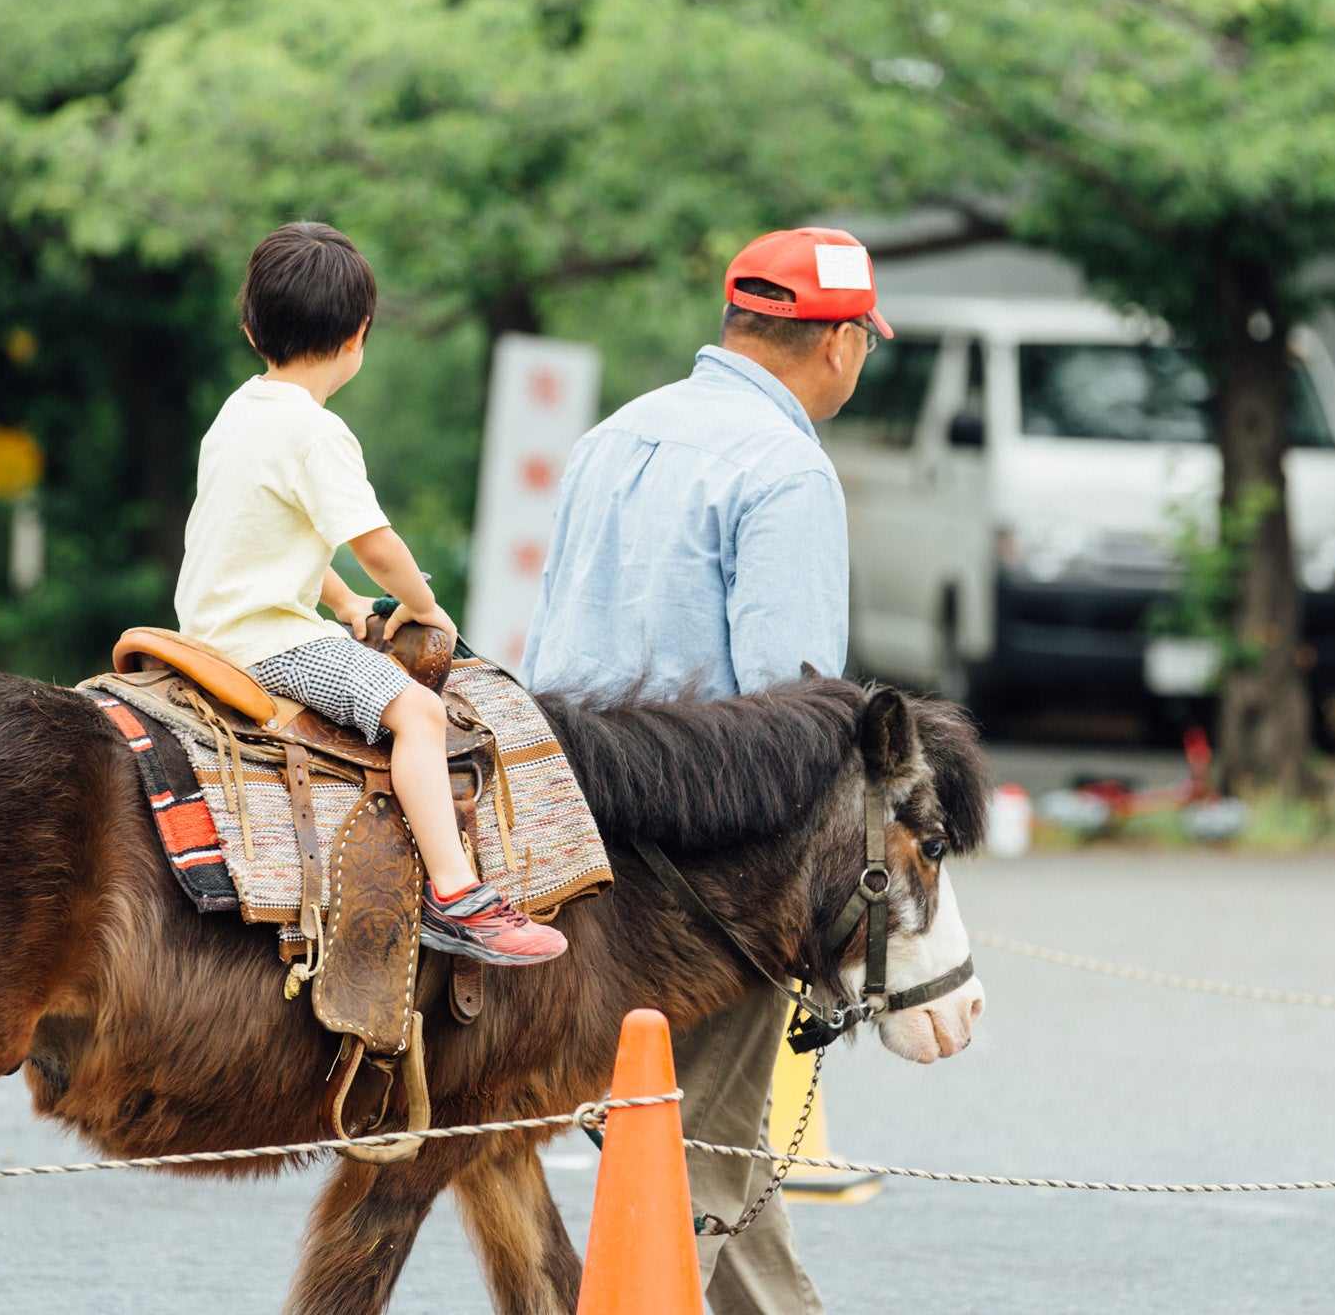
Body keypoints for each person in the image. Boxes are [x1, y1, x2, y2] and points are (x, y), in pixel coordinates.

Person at [522, 226, 887, 1314]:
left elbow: (550, 658)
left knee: (690, 1142)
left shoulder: (610, 436)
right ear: (837, 343)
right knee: (696, 1163)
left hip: (576, 842)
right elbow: (798, 709)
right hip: (712, 878)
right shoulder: (783, 468)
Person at [176, 222, 565, 966]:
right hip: (271, 646)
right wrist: (421, 605)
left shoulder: (239, 412)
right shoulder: (318, 433)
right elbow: (375, 543)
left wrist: (349, 605)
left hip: (207, 631)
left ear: (249, 325)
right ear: (359, 336)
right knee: (417, 712)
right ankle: (455, 893)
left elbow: (270, 535)